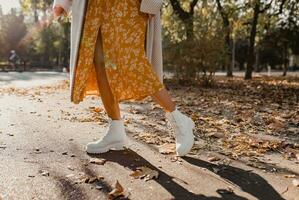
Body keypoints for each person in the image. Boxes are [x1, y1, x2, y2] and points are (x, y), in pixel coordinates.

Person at [53, 0, 195, 156]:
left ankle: (180, 120)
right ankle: (116, 129)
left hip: (127, 4)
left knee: (133, 62)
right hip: (94, 4)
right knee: (100, 63)